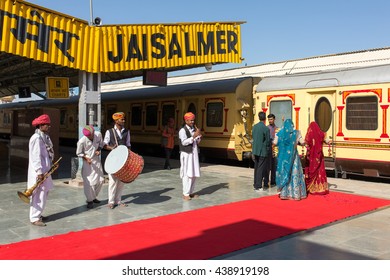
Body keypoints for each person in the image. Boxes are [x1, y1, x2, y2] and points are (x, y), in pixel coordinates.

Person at [28, 114, 55, 226]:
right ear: (40, 125)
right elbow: (35, 156)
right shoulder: (36, 138)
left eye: (49, 125)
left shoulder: (44, 136)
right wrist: (39, 172)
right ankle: (34, 218)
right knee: (38, 193)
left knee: (44, 193)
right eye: (46, 125)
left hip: (45, 170)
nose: (48, 127)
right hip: (40, 172)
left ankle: (38, 213)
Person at [103, 112, 131, 209]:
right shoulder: (109, 131)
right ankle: (111, 201)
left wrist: (129, 156)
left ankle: (118, 200)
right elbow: (104, 144)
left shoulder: (127, 131)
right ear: (116, 120)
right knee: (113, 181)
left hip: (123, 160)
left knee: (121, 181)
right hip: (113, 160)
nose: (123, 121)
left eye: (124, 119)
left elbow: (128, 144)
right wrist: (111, 148)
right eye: (121, 119)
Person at [274, 119, 306, 200]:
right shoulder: (297, 133)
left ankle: (284, 193)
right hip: (294, 158)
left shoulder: (280, 133)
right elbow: (302, 142)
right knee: (294, 173)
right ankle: (295, 194)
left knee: (285, 172)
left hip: (284, 158)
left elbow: (274, 142)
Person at [76, 125, 105, 209]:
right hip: (87, 162)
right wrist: (86, 158)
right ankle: (89, 200)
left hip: (96, 160)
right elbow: (78, 153)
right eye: (88, 136)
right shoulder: (82, 141)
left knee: (100, 180)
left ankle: (93, 197)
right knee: (89, 183)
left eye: (91, 135)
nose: (90, 137)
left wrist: (98, 150)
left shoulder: (98, 134)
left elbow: (101, 144)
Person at [178, 112, 202, 201]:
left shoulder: (193, 129)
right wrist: (193, 137)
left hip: (194, 153)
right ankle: (185, 193)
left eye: (193, 120)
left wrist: (198, 136)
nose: (192, 122)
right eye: (191, 120)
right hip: (186, 154)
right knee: (187, 174)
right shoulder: (182, 130)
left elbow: (197, 141)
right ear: (186, 120)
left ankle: (191, 192)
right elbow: (184, 142)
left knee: (193, 173)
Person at [304, 121, 331, 195]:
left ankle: (311, 188)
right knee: (320, 171)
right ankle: (320, 188)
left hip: (311, 157)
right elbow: (328, 141)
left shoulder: (309, 134)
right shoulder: (321, 133)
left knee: (311, 170)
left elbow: (305, 142)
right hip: (319, 157)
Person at [252, 111, 270, 191]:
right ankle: (258, 186)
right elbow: (268, 141)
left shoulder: (254, 127)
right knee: (260, 168)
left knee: (256, 167)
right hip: (262, 151)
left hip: (255, 150)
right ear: (265, 118)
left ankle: (255, 183)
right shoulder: (266, 129)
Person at [265, 114, 278, 188]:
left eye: (271, 119)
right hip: (268, 149)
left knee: (274, 166)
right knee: (267, 167)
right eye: (269, 119)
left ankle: (273, 181)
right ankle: (266, 181)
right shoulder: (266, 128)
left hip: (275, 150)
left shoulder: (277, 129)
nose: (270, 121)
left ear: (274, 119)